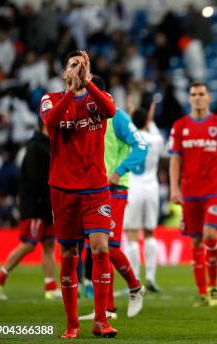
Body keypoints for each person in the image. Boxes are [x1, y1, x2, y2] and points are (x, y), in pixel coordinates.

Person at [39, 50, 117, 338]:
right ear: (64, 73)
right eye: (73, 65)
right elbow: (50, 123)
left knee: (100, 248)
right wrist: (71, 92)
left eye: (82, 65)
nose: (78, 69)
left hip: (96, 188)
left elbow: (110, 111)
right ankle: (72, 324)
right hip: (63, 189)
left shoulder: (99, 98)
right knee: (70, 254)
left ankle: (100, 320)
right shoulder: (51, 99)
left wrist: (89, 84)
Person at [79, 76, 148, 321]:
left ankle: (135, 286)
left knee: (108, 246)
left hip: (114, 190)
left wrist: (119, 171)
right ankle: (107, 309)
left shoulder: (116, 117)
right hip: (91, 190)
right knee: (96, 248)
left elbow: (141, 146)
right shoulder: (83, 118)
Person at [168, 82, 217, 307]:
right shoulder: (180, 126)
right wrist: (174, 188)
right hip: (190, 192)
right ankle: (202, 293)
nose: (198, 98)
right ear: (189, 98)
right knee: (196, 242)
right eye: (194, 94)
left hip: (215, 191)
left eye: (201, 94)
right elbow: (175, 159)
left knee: (210, 235)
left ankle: (213, 287)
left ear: (208, 97)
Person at [0, 124, 61, 301]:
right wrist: (46, 202)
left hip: (47, 204)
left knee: (49, 244)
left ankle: (50, 286)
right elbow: (37, 179)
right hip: (36, 206)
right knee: (29, 243)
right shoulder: (35, 146)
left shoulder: (50, 144)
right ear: (46, 125)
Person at [124, 103, 164, 292]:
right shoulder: (156, 139)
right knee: (149, 234)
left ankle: (136, 281)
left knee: (131, 235)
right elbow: (161, 143)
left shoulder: (128, 139)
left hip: (133, 188)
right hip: (152, 190)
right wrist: (151, 120)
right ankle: (151, 277)